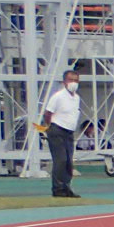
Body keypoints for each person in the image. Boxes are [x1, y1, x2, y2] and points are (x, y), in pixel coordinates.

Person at [39, 67, 82, 199]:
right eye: (71, 80)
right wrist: (49, 126)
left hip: (69, 131)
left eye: (76, 80)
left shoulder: (76, 98)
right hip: (57, 129)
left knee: (69, 161)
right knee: (60, 160)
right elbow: (48, 113)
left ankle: (66, 187)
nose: (73, 83)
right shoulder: (58, 96)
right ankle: (57, 188)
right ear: (64, 82)